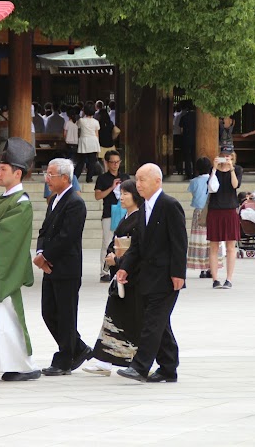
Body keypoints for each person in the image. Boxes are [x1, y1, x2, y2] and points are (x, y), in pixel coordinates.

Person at [0, 138, 42, 382]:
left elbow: (4, 232)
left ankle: (23, 365)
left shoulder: (22, 203)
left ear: (18, 173)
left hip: (5, 269)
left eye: (3, 169)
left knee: (6, 318)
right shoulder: (0, 198)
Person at [115, 163, 187, 384]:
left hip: (166, 276)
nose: (138, 184)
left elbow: (179, 242)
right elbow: (137, 245)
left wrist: (178, 273)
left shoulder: (169, 205)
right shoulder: (144, 208)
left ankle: (140, 366)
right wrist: (124, 267)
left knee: (152, 322)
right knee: (159, 323)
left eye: (142, 180)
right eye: (136, 180)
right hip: (147, 275)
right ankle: (168, 368)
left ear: (157, 181)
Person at [34, 158, 91, 375]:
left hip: (66, 267)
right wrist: (40, 252)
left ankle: (65, 359)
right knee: (48, 312)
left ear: (65, 178)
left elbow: (68, 236)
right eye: (46, 174)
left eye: (51, 175)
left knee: (66, 314)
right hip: (50, 266)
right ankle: (78, 348)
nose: (47, 179)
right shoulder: (54, 201)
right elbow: (44, 231)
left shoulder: (75, 203)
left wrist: (46, 256)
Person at [83, 179, 143, 376]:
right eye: (121, 193)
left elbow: (136, 250)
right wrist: (111, 256)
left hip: (132, 276)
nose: (121, 197)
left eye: (126, 193)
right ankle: (105, 359)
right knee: (113, 317)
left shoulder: (140, 218)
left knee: (131, 320)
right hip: (121, 273)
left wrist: (118, 260)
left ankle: (133, 359)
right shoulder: (126, 217)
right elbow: (114, 243)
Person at [206, 147, 242, 289]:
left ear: (233, 157)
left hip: (230, 209)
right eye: (223, 155)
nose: (226, 158)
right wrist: (215, 168)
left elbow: (235, 185)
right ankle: (215, 279)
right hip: (215, 209)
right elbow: (210, 187)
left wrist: (231, 168)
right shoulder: (213, 169)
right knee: (214, 246)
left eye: (229, 156)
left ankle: (229, 278)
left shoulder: (237, 169)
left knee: (230, 247)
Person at [94, 150, 130, 283]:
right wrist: (111, 187)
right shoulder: (102, 178)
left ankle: (124, 267)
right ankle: (104, 271)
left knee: (125, 242)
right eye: (112, 162)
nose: (115, 165)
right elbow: (98, 196)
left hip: (125, 212)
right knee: (107, 242)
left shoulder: (125, 177)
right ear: (107, 163)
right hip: (109, 213)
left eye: (117, 162)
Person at [187, 157, 222, 278]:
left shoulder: (194, 181)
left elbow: (194, 194)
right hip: (212, 210)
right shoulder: (214, 179)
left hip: (199, 212)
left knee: (200, 240)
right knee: (212, 240)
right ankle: (212, 267)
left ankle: (202, 268)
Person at [74, 103, 101, 183]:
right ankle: (89, 178)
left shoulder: (81, 121)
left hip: (84, 140)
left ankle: (75, 177)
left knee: (81, 161)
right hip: (93, 141)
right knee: (92, 161)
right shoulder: (96, 122)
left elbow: (79, 131)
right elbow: (97, 134)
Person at [179, 101, 196, 179]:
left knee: (187, 157)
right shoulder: (197, 117)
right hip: (195, 139)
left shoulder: (184, 117)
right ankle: (195, 172)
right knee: (194, 156)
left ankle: (188, 173)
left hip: (186, 139)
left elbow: (181, 130)